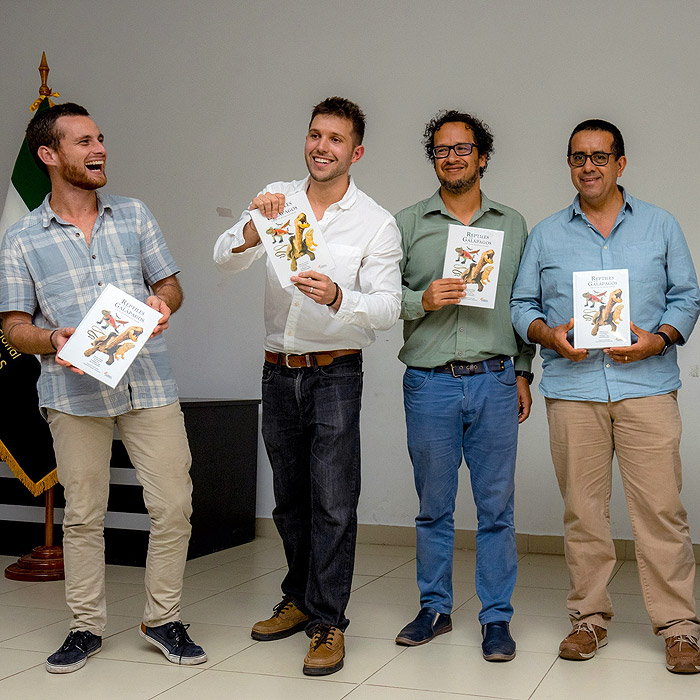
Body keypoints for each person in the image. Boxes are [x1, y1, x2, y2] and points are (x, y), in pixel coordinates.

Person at [0, 103, 206, 674]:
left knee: (174, 506)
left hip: (150, 385)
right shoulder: (20, 238)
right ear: (49, 155)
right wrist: (51, 340)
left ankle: (162, 619)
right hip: (72, 395)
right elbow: (12, 324)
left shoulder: (135, 214)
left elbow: (169, 286)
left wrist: (163, 304)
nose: (100, 149)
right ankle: (85, 627)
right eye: (84, 141)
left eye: (101, 139)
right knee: (84, 515)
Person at [213, 96, 401, 676]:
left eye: (336, 139)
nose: (322, 147)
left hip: (336, 373)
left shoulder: (376, 221)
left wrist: (339, 297)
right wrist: (250, 224)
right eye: (315, 135)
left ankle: (327, 622)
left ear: (356, 151)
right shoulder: (279, 199)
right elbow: (223, 259)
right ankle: (297, 600)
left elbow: (389, 306)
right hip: (278, 369)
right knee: (290, 499)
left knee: (334, 503)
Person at [511, 119, 700, 674]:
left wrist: (656, 340)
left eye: (599, 156)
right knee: (583, 513)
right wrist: (549, 336)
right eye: (577, 157)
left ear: (621, 164)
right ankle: (588, 620)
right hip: (573, 391)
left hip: (647, 387)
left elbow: (687, 298)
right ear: (569, 165)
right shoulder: (546, 234)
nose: (587, 166)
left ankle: (681, 628)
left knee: (662, 511)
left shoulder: (661, 225)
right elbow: (522, 306)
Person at [395, 110, 533, 662]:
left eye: (463, 148)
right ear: (435, 158)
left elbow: (525, 305)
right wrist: (419, 300)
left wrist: (524, 371)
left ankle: (496, 619)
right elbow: (381, 299)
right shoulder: (406, 223)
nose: (452, 157)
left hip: (496, 381)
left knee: (496, 510)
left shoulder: (513, 224)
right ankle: (435, 608)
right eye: (441, 149)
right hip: (429, 384)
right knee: (433, 507)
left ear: (482, 156)